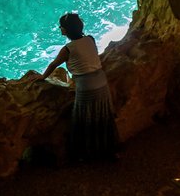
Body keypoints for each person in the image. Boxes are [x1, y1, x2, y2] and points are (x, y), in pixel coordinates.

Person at [32, 13, 119, 162]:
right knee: (102, 117)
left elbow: (53, 65)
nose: (60, 29)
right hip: (101, 82)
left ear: (65, 30)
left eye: (61, 27)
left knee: (85, 119)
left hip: (87, 87)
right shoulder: (90, 39)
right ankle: (108, 150)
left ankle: (88, 154)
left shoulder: (68, 49)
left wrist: (42, 77)